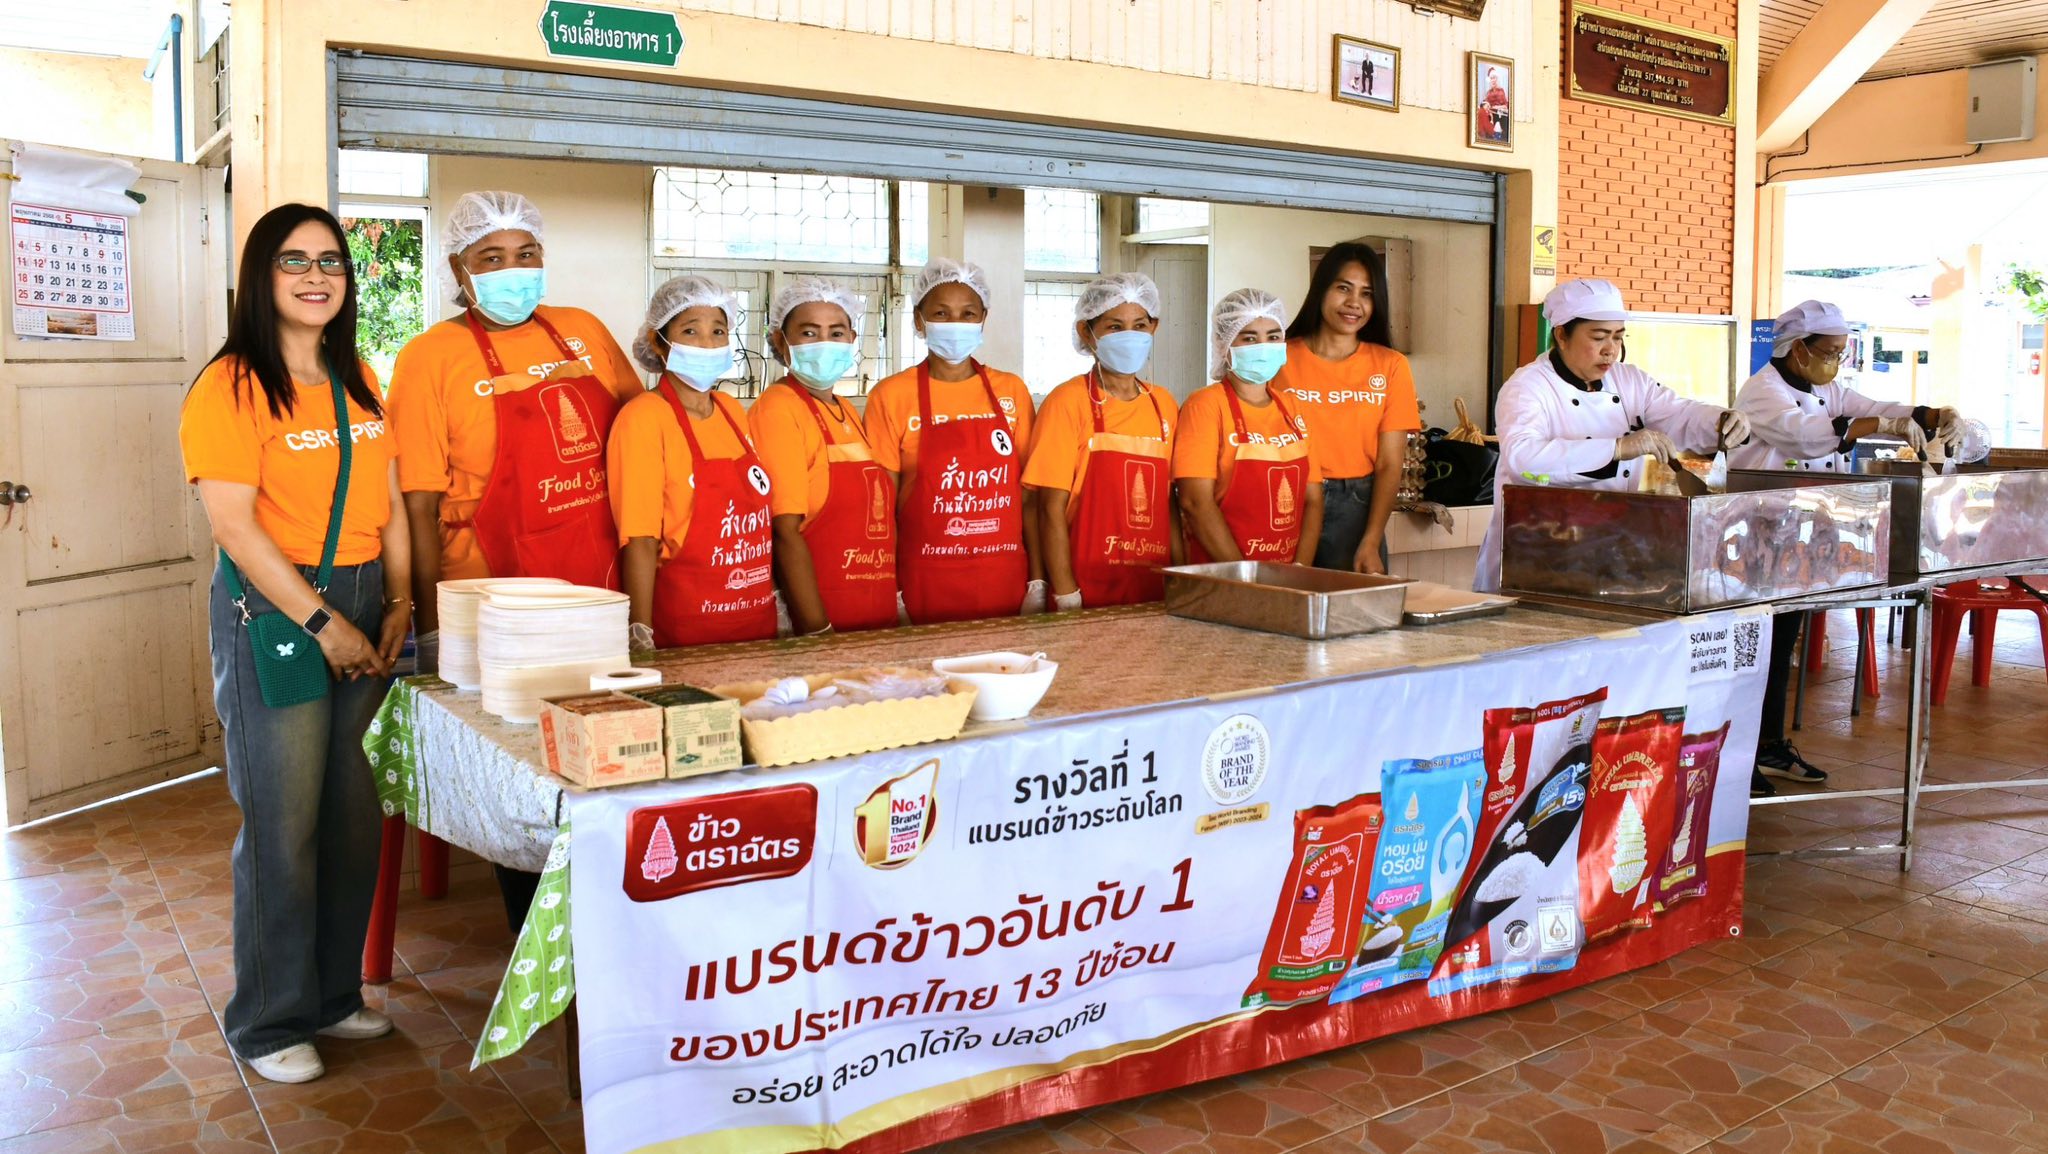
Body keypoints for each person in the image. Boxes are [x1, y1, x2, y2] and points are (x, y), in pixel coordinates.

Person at [178, 203, 412, 1084]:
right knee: (283, 824)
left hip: (364, 596)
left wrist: (398, 599)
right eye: (294, 261)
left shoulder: (359, 375)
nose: (317, 277)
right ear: (260, 277)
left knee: (353, 816)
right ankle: (269, 1021)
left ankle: (333, 996)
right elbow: (235, 528)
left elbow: (389, 501)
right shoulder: (230, 385)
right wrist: (325, 624)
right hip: (278, 612)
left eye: (331, 261)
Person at [388, 191, 642, 672]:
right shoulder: (430, 357)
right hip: (490, 594)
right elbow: (417, 507)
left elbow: (642, 434)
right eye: (492, 258)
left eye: (526, 254)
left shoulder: (583, 328)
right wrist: (433, 627)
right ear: (458, 268)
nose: (514, 269)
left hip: (600, 581)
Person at [1734, 299, 1960, 796]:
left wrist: (1930, 414)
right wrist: (1879, 427)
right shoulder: (1762, 392)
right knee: (1755, 651)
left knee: (1782, 644)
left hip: (1799, 534)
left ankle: (1769, 745)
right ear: (1798, 348)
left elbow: (1873, 408)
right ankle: (1737, 757)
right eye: (1829, 351)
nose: (1836, 360)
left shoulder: (1826, 389)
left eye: (1842, 351)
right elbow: (1805, 438)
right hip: (1759, 532)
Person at [1476, 278, 1750, 593]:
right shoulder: (1528, 387)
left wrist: (1721, 420)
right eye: (1599, 337)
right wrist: (1618, 448)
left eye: (1618, 337)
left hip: (1609, 546)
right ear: (1562, 335)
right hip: (1534, 552)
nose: (1611, 350)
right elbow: (1524, 459)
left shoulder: (1630, 381)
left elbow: (1679, 413)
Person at [865, 257, 1042, 624]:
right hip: (925, 577)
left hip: (1003, 574)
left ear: (983, 319)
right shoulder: (891, 395)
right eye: (941, 313)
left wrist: (1037, 582)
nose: (955, 324)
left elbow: (1029, 499)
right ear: (919, 320)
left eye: (967, 313)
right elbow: (881, 507)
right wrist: (889, 589)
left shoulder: (1011, 391)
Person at [611, 274, 777, 649]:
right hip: (687, 627)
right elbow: (640, 539)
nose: (708, 344)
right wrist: (640, 632)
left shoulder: (731, 411)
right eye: (690, 331)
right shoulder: (644, 417)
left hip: (754, 620)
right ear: (659, 342)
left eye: (718, 331)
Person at [748, 276, 897, 634]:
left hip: (873, 604)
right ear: (781, 341)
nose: (825, 343)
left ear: (852, 340)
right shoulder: (779, 408)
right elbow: (784, 531)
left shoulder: (845, 409)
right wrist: (818, 630)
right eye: (809, 333)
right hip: (824, 612)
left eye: (836, 333)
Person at [1026, 272, 1180, 609]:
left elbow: (1169, 504)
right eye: (1114, 326)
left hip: (1153, 587)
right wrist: (1066, 595)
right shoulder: (1068, 401)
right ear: (1087, 332)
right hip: (1086, 588)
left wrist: (1182, 578)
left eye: (1139, 326)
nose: (1129, 336)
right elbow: (1049, 509)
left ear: (1153, 327)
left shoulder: (1164, 405)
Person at [1273, 241, 1422, 574]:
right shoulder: (1278, 357)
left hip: (1357, 508)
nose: (1354, 303)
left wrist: (1371, 539)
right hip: (1286, 498)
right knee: (1278, 598)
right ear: (1321, 288)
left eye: (1367, 294)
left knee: (1355, 603)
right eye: (1343, 288)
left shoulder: (1391, 365)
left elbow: (1389, 463)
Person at [1175, 289, 1324, 564]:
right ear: (1225, 344)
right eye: (1250, 338)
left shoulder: (1293, 407)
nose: (1263, 347)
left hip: (1286, 574)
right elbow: (1195, 502)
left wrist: (1299, 571)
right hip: (1223, 575)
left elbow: (1313, 499)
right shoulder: (1205, 405)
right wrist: (1245, 578)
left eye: (1273, 337)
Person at [1480, 68, 1510, 140]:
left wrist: (1497, 107)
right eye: (1491, 78)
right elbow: (1485, 104)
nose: (1493, 80)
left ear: (1497, 79)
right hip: (1490, 115)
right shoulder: (1488, 92)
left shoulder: (1501, 91)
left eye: (1494, 78)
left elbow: (1506, 106)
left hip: (1500, 115)